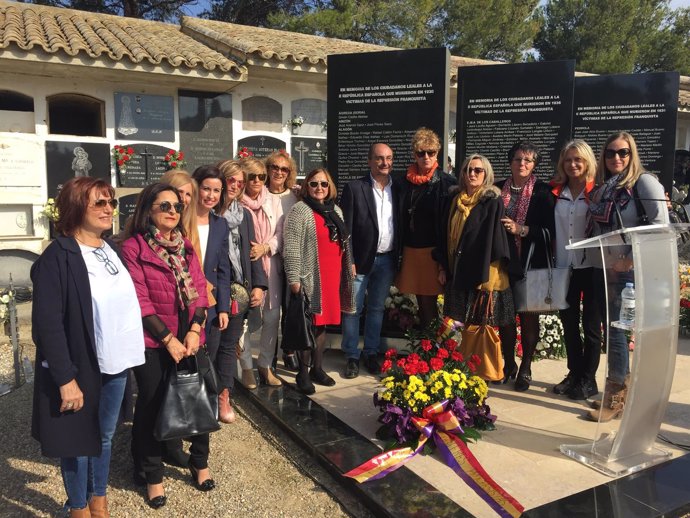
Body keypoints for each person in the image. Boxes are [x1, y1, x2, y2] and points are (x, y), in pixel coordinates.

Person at [31, 177, 145, 518]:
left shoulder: (110, 248)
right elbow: (47, 324)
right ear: (77, 206)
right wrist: (65, 378)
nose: (109, 209)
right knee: (77, 442)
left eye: (111, 202)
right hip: (82, 366)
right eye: (100, 203)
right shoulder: (59, 256)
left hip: (116, 362)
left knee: (105, 436)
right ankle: (78, 507)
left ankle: (99, 499)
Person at [121, 183, 213, 508]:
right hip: (153, 342)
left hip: (190, 338)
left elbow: (200, 290)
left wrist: (195, 329)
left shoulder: (185, 247)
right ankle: (152, 475)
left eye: (176, 206)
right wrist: (167, 339)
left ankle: (199, 462)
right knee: (151, 406)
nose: (173, 211)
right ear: (149, 210)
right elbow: (140, 300)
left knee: (199, 401)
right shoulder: (134, 249)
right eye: (165, 206)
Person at [587, 131, 668, 421]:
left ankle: (615, 397)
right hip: (606, 269)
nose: (616, 158)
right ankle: (622, 388)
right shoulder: (607, 186)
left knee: (618, 331)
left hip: (628, 273)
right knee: (614, 330)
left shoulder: (643, 182)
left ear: (633, 154)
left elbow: (660, 226)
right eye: (610, 153)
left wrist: (630, 259)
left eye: (623, 153)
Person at [283, 168, 355, 394]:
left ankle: (318, 368)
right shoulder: (300, 211)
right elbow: (292, 248)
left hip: (332, 276)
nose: (319, 188)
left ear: (330, 186)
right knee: (310, 324)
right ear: (307, 187)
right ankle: (302, 375)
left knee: (323, 324)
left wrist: (350, 263)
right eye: (314, 184)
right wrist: (294, 279)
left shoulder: (336, 210)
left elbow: (344, 241)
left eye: (323, 184)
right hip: (311, 275)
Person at [435, 155, 514, 353]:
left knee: (484, 324)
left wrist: (487, 278)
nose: (472, 174)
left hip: (481, 274)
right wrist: (443, 266)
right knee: (456, 321)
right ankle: (458, 362)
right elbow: (444, 236)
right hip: (457, 272)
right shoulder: (454, 200)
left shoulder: (492, 201)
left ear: (486, 174)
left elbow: (494, 241)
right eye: (468, 170)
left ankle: (503, 365)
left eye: (478, 170)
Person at [496, 141, 555, 391]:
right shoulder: (497, 189)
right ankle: (508, 364)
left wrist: (522, 230)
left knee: (529, 319)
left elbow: (551, 232)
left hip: (532, 263)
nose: (522, 164)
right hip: (504, 264)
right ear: (510, 161)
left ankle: (526, 366)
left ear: (534, 165)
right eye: (518, 159)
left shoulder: (543, 193)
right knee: (506, 319)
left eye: (528, 160)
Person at [339, 142, 399, 378]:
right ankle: (352, 355)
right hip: (361, 260)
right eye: (379, 158)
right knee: (353, 309)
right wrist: (349, 259)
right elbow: (347, 228)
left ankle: (371, 353)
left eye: (389, 158)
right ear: (369, 161)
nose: (385, 163)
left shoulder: (398, 188)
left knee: (376, 309)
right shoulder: (355, 188)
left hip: (386, 260)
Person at [550, 140, 602, 400]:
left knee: (591, 325)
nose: (573, 165)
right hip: (564, 267)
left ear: (587, 162)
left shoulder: (598, 192)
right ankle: (574, 372)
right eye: (568, 160)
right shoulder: (555, 192)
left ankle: (588, 379)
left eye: (578, 160)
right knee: (569, 323)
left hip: (591, 266)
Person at [216, 160, 268, 417]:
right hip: (214, 289)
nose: (236, 186)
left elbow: (252, 250)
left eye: (240, 181)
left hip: (239, 289)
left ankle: (224, 396)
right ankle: (205, 393)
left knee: (228, 347)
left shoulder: (244, 214)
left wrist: (258, 285)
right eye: (231, 181)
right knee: (212, 345)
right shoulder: (209, 211)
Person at [395, 127, 456, 328]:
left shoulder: (447, 183)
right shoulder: (403, 182)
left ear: (437, 153)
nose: (426, 157)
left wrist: (443, 261)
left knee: (433, 303)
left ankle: (437, 349)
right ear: (415, 155)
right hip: (411, 250)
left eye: (431, 152)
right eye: (421, 153)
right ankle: (428, 346)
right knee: (422, 302)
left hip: (434, 252)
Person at [238, 157, 283, 387]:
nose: (256, 181)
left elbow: (281, 232)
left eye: (261, 176)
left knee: (273, 318)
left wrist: (266, 247)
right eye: (251, 176)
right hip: (245, 267)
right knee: (244, 318)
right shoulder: (237, 203)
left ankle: (265, 365)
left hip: (270, 265)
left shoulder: (273, 201)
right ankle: (246, 366)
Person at [265, 150, 300, 372]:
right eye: (275, 167)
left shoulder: (295, 195)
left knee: (290, 307)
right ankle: (269, 353)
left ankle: (288, 350)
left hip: (291, 257)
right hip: (268, 256)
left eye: (284, 169)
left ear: (290, 173)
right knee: (271, 309)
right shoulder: (261, 192)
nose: (279, 172)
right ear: (268, 169)